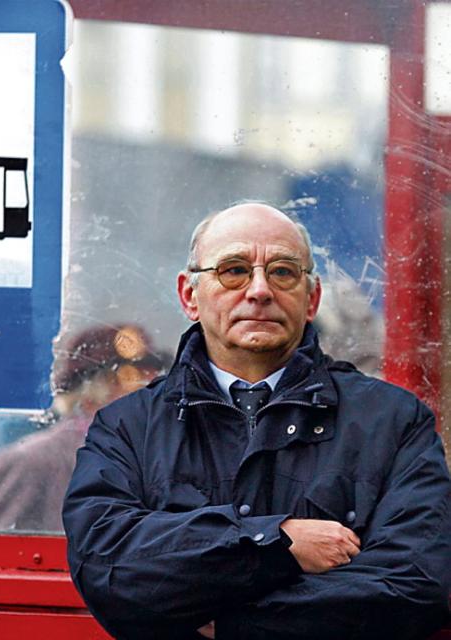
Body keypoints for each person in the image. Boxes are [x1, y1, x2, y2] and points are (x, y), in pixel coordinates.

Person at [63, 203, 451, 640]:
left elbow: (414, 585)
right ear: (190, 295)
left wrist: (236, 624)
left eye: (283, 272)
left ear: (312, 299)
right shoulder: (128, 427)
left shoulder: (393, 421)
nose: (260, 290)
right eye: (234, 270)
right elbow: (109, 570)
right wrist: (277, 542)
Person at [0, 324, 169, 532]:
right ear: (92, 390)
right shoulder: (31, 461)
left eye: (153, 380)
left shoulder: (157, 457)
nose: (150, 394)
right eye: (129, 380)